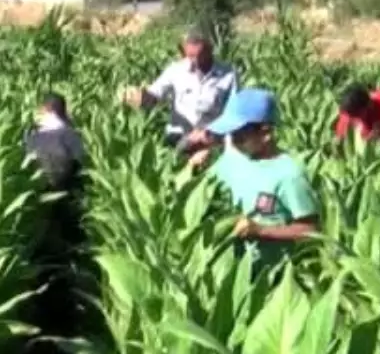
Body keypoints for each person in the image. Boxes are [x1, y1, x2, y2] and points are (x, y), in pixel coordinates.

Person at [205, 88, 320, 265]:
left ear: (265, 133)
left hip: (272, 277)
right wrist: (192, 169)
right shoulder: (230, 161)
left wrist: (261, 230)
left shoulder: (289, 174)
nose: (233, 142)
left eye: (239, 136)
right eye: (231, 135)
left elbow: (310, 229)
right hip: (229, 269)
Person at [121, 29, 237, 164]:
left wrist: (210, 137)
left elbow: (234, 111)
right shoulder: (176, 70)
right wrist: (140, 97)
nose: (195, 62)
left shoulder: (228, 74)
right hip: (179, 135)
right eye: (190, 56)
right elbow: (154, 95)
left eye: (200, 56)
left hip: (211, 139)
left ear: (210, 50)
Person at [24, 92, 86, 191]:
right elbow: (81, 162)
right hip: (69, 192)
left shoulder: (32, 137)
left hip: (40, 192)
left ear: (44, 109)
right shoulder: (72, 135)